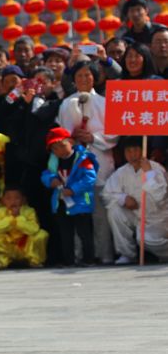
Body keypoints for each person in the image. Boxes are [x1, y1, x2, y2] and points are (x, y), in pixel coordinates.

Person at [56, 61, 117, 263]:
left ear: (95, 77)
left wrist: (93, 138)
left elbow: (114, 133)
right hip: (75, 167)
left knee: (100, 213)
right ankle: (79, 255)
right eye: (80, 75)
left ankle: (104, 254)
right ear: (73, 79)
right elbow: (62, 134)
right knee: (77, 212)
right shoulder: (66, 104)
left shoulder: (105, 102)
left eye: (88, 75)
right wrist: (72, 138)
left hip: (100, 161)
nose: (84, 79)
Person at [102, 136, 168, 264]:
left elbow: (160, 197)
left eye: (136, 150)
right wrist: (123, 198)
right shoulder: (121, 172)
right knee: (115, 210)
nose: (132, 155)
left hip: (156, 218)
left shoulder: (156, 168)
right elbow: (107, 194)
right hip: (135, 215)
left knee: (145, 240)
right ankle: (126, 254)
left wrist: (149, 173)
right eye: (128, 151)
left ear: (143, 150)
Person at [41, 128, 98, 267]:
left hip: (80, 201)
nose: (59, 150)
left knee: (84, 233)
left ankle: (88, 259)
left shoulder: (83, 158)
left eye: (62, 145)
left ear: (71, 142)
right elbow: (46, 174)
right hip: (61, 201)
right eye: (54, 148)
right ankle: (69, 260)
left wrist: (73, 189)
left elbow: (89, 178)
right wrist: (51, 180)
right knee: (65, 233)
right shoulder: (53, 161)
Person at [0, 186, 48, 268]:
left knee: (42, 234)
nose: (13, 201)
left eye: (17, 198)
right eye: (8, 198)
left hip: (25, 247)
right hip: (9, 247)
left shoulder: (29, 211)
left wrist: (18, 219)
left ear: (23, 200)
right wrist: (11, 219)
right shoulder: (0, 212)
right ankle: (2, 261)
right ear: (3, 200)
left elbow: (34, 229)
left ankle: (35, 261)